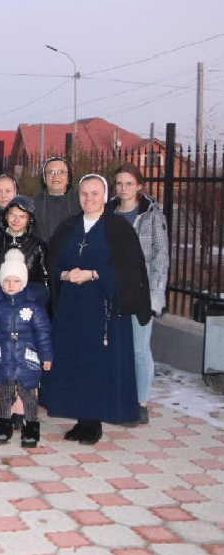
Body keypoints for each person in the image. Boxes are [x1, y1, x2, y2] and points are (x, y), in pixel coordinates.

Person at [42, 175, 151, 445]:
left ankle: (93, 423)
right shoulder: (68, 226)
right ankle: (80, 419)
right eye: (84, 194)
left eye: (94, 193)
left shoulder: (118, 228)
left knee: (97, 366)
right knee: (75, 363)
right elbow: (51, 264)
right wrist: (65, 275)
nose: (89, 199)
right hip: (71, 309)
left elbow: (129, 270)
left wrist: (93, 274)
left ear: (104, 196)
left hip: (104, 310)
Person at [0, 249, 53, 448]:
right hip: (3, 355)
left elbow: (43, 334)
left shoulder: (34, 309)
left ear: (23, 282)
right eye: (7, 281)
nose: (11, 285)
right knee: (4, 391)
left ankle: (31, 425)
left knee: (28, 392)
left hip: (26, 356)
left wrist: (46, 356)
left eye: (16, 281)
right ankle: (3, 423)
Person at [110, 163, 169, 427]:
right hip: (113, 289)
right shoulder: (108, 212)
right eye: (120, 183)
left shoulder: (151, 215)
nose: (124, 189)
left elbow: (161, 257)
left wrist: (155, 295)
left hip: (141, 291)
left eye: (129, 184)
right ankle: (119, 398)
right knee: (116, 346)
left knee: (139, 347)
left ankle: (141, 402)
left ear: (139, 186)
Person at [0, 196, 50, 296]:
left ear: (29, 219)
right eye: (13, 215)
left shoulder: (39, 245)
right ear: (6, 216)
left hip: (30, 300)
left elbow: (44, 279)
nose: (16, 220)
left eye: (22, 217)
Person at [32, 157, 81, 241]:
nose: (56, 176)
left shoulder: (80, 203)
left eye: (61, 172)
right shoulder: (33, 205)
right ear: (44, 178)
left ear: (68, 178)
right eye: (50, 172)